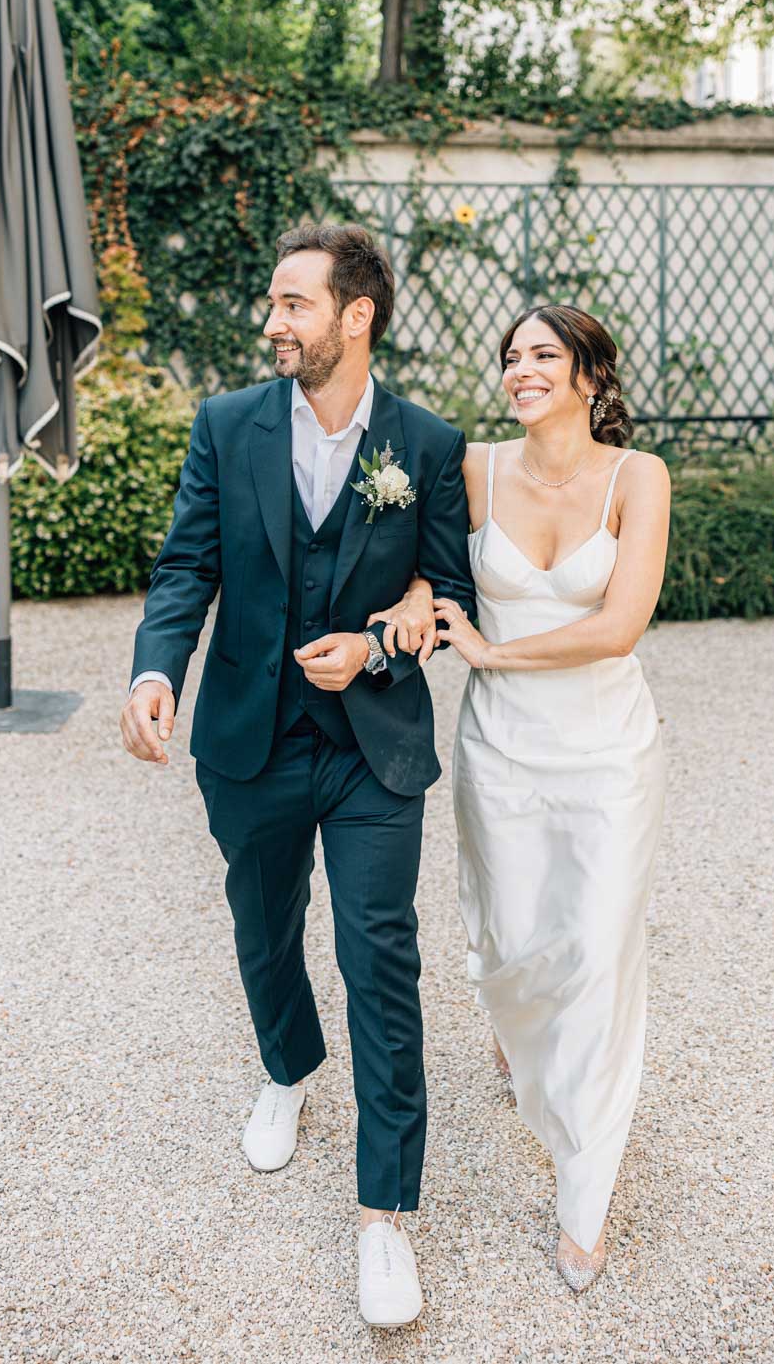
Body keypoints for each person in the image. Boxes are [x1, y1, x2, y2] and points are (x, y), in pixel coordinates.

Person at [119, 223, 475, 1329]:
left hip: (374, 746)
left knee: (380, 954)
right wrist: (153, 670)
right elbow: (188, 565)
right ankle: (286, 1065)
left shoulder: (424, 441)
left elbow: (450, 596)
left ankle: (386, 1216)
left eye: (292, 303)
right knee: (265, 925)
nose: (272, 321)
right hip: (251, 737)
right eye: (274, 303)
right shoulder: (227, 425)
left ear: (355, 316)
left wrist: (375, 646)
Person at [378, 304, 669, 1292]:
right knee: (506, 941)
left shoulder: (640, 478)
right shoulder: (476, 468)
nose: (521, 369)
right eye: (511, 356)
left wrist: (495, 649)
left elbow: (620, 622)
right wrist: (419, 600)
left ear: (592, 374)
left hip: (607, 754)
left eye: (545, 354)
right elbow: (420, 557)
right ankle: (517, 1033)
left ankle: (584, 1194)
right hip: (500, 750)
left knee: (596, 949)